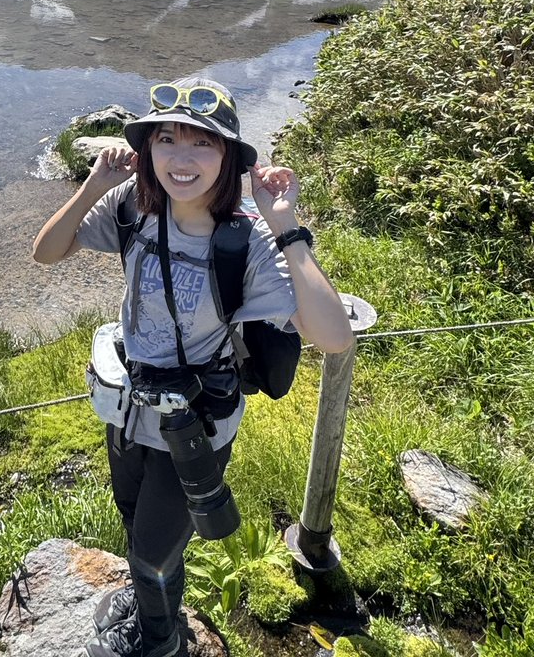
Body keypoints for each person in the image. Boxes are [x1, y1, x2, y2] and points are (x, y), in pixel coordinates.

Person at [33, 76, 353, 657]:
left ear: (228, 155)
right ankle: (152, 596)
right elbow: (47, 252)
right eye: (166, 141)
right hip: (132, 407)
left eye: (202, 144)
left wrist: (285, 225)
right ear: (147, 149)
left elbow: (333, 338)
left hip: (197, 421)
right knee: (133, 518)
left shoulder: (246, 242)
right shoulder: (132, 206)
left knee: (153, 548)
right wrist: (92, 185)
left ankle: (162, 641)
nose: (182, 160)